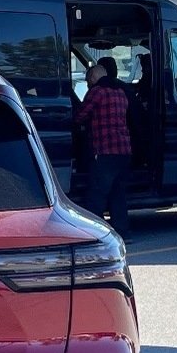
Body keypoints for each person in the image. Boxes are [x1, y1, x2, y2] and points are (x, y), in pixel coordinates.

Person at [75, 64, 132, 238]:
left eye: (87, 79)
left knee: (96, 194)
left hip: (105, 150)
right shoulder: (121, 93)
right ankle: (122, 232)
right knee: (118, 194)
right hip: (123, 150)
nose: (87, 82)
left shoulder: (97, 92)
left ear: (93, 78)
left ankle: (96, 233)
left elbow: (80, 116)